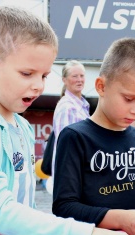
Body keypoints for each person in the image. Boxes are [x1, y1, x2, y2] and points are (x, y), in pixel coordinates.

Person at [0, 6, 135, 235]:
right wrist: (86, 234)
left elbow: (24, 211)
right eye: (27, 73)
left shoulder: (23, 127)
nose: (39, 85)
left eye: (44, 75)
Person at [53, 37, 135, 235]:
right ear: (101, 86)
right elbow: (64, 207)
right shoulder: (75, 137)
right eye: (129, 99)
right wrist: (120, 219)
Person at [48, 60, 90, 192]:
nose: (79, 80)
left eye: (82, 76)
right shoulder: (67, 107)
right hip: (71, 174)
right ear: (64, 80)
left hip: (80, 172)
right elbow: (66, 147)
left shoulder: (82, 105)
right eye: (74, 76)